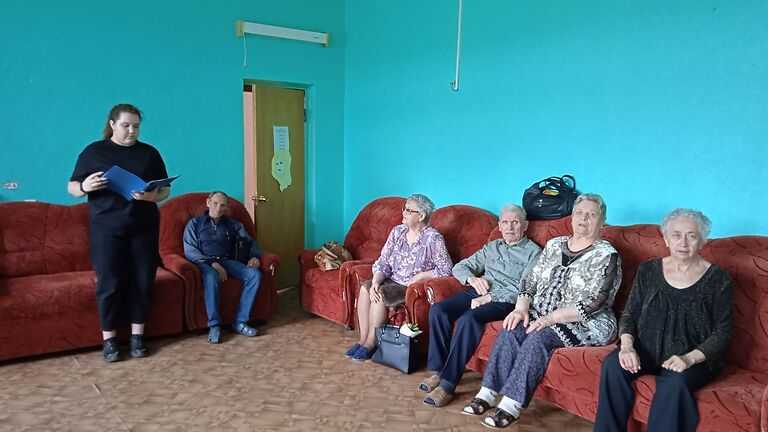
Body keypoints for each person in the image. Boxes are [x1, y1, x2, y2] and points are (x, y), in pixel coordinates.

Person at [463, 193, 622, 429]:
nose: (584, 219)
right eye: (579, 213)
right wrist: (521, 308)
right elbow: (530, 279)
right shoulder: (555, 245)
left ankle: (511, 404)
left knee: (538, 338)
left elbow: (596, 301)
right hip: (541, 312)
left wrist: (551, 318)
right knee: (511, 327)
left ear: (603, 221)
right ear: (571, 217)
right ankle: (488, 392)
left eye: (591, 215)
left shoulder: (607, 255)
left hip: (584, 321)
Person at [593, 209, 732, 432]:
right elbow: (630, 314)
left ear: (703, 241)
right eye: (676, 235)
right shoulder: (648, 270)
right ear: (666, 239)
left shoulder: (718, 278)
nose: (683, 242)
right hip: (648, 349)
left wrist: (688, 359)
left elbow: (722, 333)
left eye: (691, 236)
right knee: (613, 365)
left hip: (693, 357)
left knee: (674, 384)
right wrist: (627, 347)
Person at [68, 103, 171, 362]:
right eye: (126, 125)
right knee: (109, 283)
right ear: (112, 124)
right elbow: (72, 187)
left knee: (143, 281)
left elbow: (165, 190)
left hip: (143, 227)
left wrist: (151, 196)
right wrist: (85, 186)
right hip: (106, 229)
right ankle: (110, 340)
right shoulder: (93, 152)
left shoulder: (149, 153)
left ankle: (138, 337)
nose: (131, 131)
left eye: (136, 126)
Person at [420, 204, 541, 407]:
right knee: (438, 310)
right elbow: (461, 267)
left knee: (469, 319)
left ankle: (448, 384)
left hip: (505, 300)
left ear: (525, 225)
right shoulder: (492, 247)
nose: (510, 227)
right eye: (505, 222)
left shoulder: (534, 253)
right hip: (479, 291)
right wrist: (472, 279)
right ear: (499, 226)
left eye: (515, 222)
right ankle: (438, 371)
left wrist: (490, 297)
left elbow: (527, 288)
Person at [345, 194, 453, 362]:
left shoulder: (433, 238)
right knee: (366, 289)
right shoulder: (397, 232)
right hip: (391, 279)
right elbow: (383, 261)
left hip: (409, 286)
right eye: (404, 208)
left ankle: (371, 344)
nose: (403, 212)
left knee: (380, 295)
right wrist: (376, 280)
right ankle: (362, 340)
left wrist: (421, 276)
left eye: (408, 210)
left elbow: (446, 269)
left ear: (421, 216)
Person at [183, 191, 263, 344]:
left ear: (226, 208)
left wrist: (254, 256)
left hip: (227, 260)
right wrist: (213, 263)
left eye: (223, 205)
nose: (218, 208)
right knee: (211, 276)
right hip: (204, 262)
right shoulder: (195, 224)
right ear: (208, 202)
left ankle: (240, 322)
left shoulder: (234, 224)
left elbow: (250, 243)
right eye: (215, 203)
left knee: (254, 274)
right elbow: (190, 250)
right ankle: (214, 325)